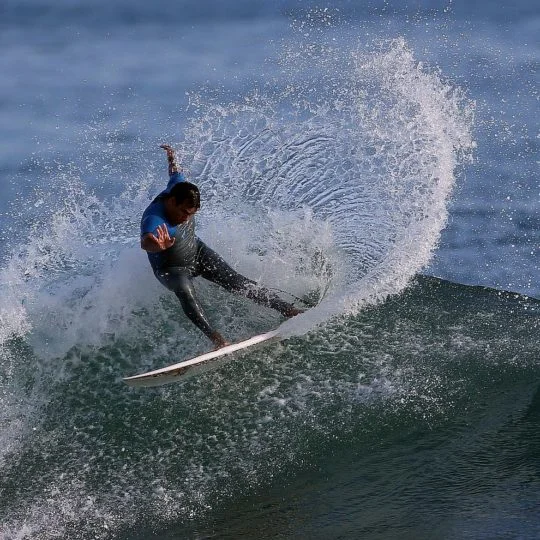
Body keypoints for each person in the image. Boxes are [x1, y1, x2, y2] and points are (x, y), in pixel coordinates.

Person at [140, 144, 302, 349]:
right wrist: (158, 245)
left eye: (191, 214)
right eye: (183, 213)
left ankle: (288, 309)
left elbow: (175, 173)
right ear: (172, 201)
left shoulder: (179, 186)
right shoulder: (154, 218)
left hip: (196, 252)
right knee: (185, 291)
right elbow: (145, 241)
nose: (186, 219)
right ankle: (217, 340)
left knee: (237, 281)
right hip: (171, 269)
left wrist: (172, 159)